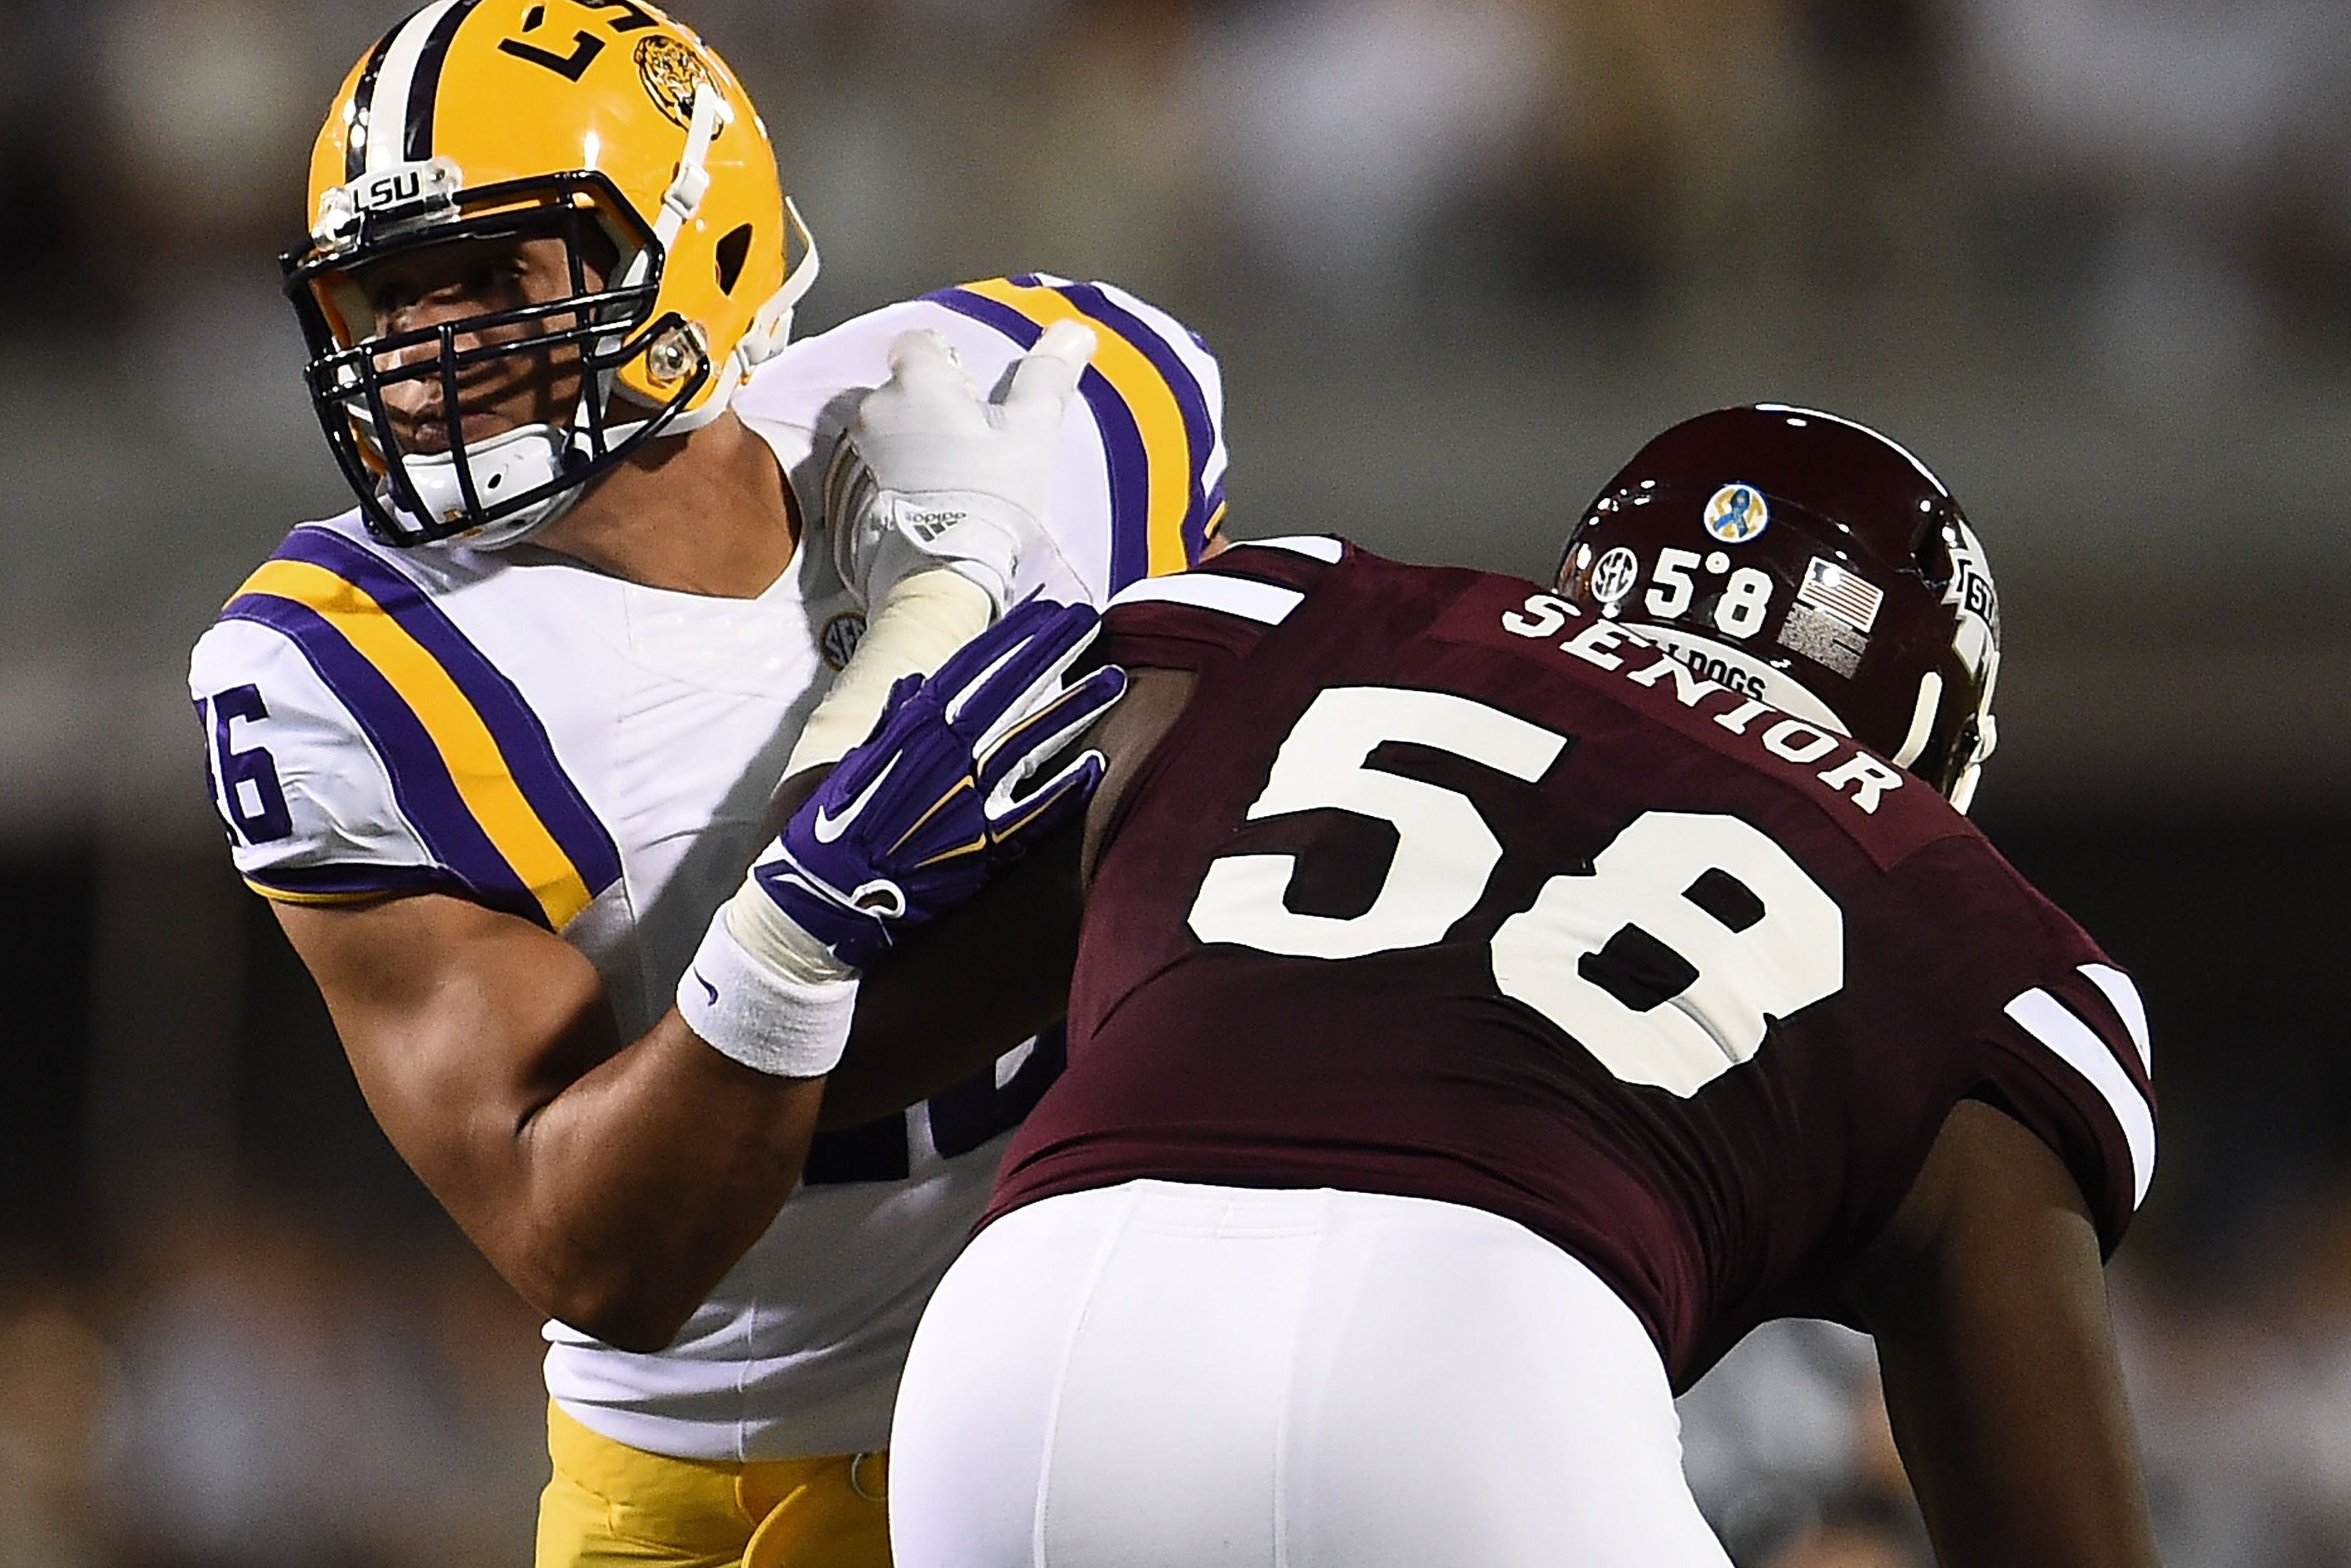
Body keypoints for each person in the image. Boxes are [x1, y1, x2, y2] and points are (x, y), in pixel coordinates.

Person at [183, 0, 1226, 1568]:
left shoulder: (1057, 392)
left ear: (701, 249)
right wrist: (805, 925)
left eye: (487, 273)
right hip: (736, 1478)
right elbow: (598, 1251)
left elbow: (1249, 824)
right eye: (388, 296)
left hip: (1131, 1386)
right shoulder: (340, 672)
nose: (426, 346)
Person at [815, 403, 2159, 1565]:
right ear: (1929, 737)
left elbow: (824, 1059)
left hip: (1027, 1352)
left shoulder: (1302, 604)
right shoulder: (1968, 921)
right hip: (1489, 1370)